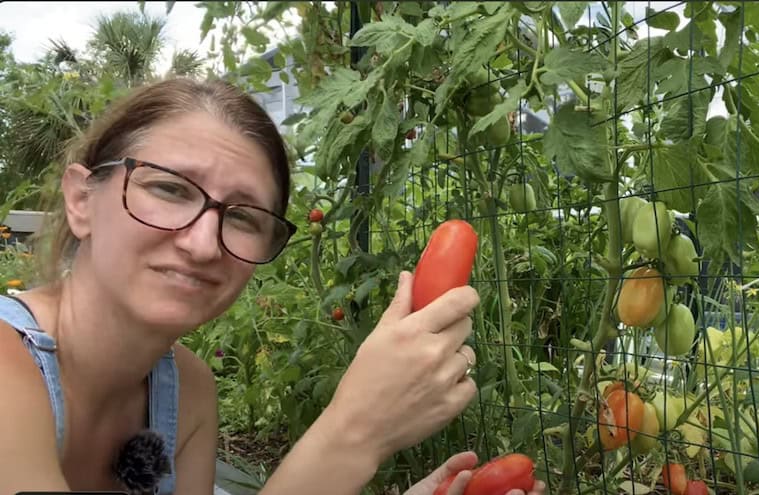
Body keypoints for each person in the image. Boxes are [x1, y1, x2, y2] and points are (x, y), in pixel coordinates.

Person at [0, 77, 546, 495]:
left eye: (243, 218)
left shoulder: (186, 391)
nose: (203, 243)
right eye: (169, 189)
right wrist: (355, 430)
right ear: (81, 200)